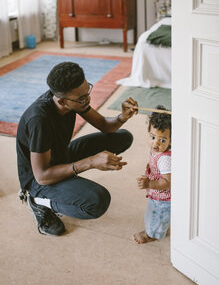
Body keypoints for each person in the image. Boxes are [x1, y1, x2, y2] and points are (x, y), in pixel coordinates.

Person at [16, 61, 138, 236]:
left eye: (87, 90)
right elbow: (42, 176)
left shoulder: (74, 99)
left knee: (123, 137)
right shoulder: (39, 120)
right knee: (98, 201)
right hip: (38, 179)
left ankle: (64, 184)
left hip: (60, 156)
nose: (87, 99)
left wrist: (122, 117)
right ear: (62, 101)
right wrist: (90, 162)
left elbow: (104, 124)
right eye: (82, 98)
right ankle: (39, 201)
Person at [132, 105, 171, 244]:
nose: (155, 143)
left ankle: (152, 234)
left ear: (171, 141)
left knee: (156, 214)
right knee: (160, 215)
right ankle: (162, 227)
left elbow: (167, 181)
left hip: (163, 196)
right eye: (153, 137)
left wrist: (149, 183)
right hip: (159, 192)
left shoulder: (165, 159)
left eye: (162, 140)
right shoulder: (156, 151)